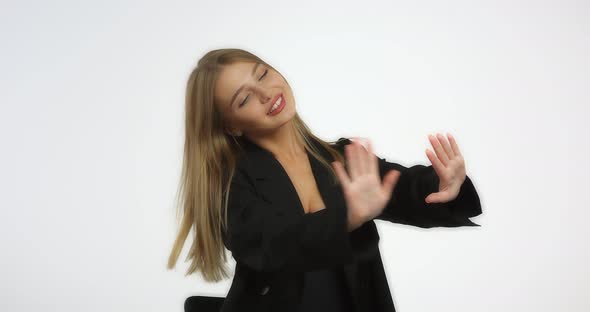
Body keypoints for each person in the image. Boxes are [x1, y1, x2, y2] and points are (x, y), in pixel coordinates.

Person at [168, 48, 483, 312]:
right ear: (231, 127)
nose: (266, 94)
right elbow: (271, 245)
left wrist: (442, 184)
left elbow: (400, 188)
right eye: (244, 99)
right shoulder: (232, 186)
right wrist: (347, 217)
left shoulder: (340, 158)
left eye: (262, 74)